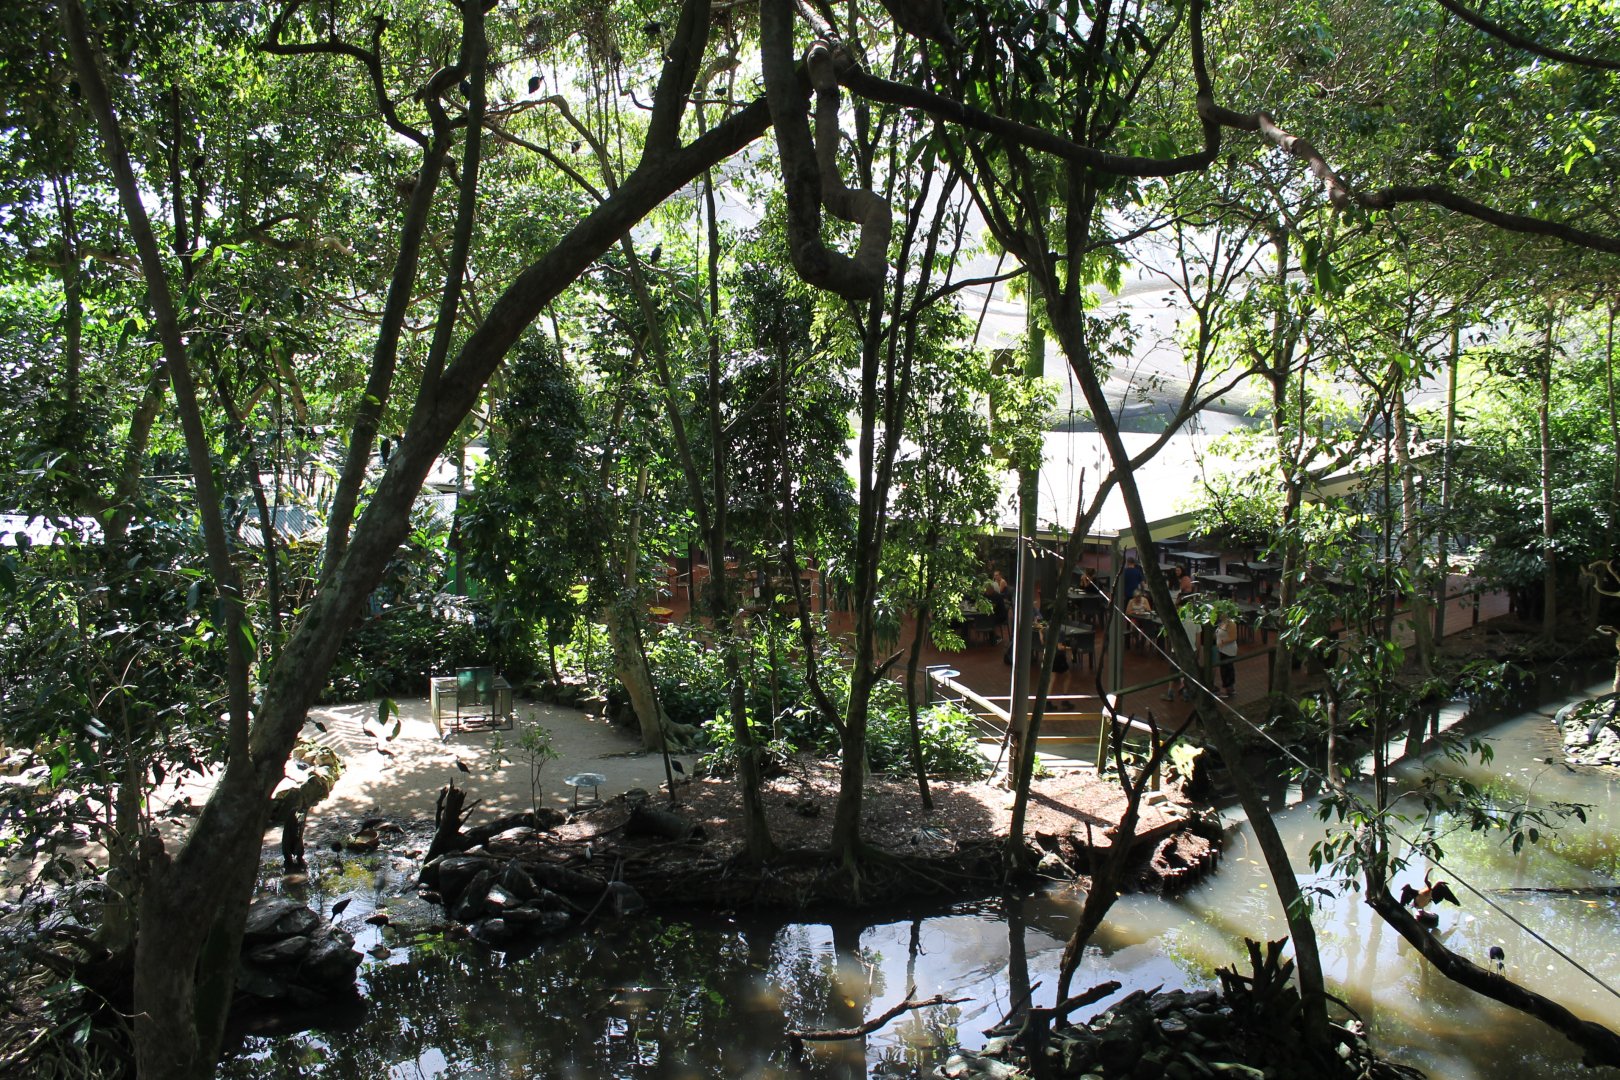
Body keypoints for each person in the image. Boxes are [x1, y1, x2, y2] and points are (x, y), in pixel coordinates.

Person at [1215, 612, 1239, 698]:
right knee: (1224, 668)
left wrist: (1222, 642)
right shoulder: (1221, 623)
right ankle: (1228, 688)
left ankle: (1227, 689)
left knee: (1227, 669)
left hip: (1229, 650)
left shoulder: (1231, 623)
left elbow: (1233, 637)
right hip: (1222, 650)